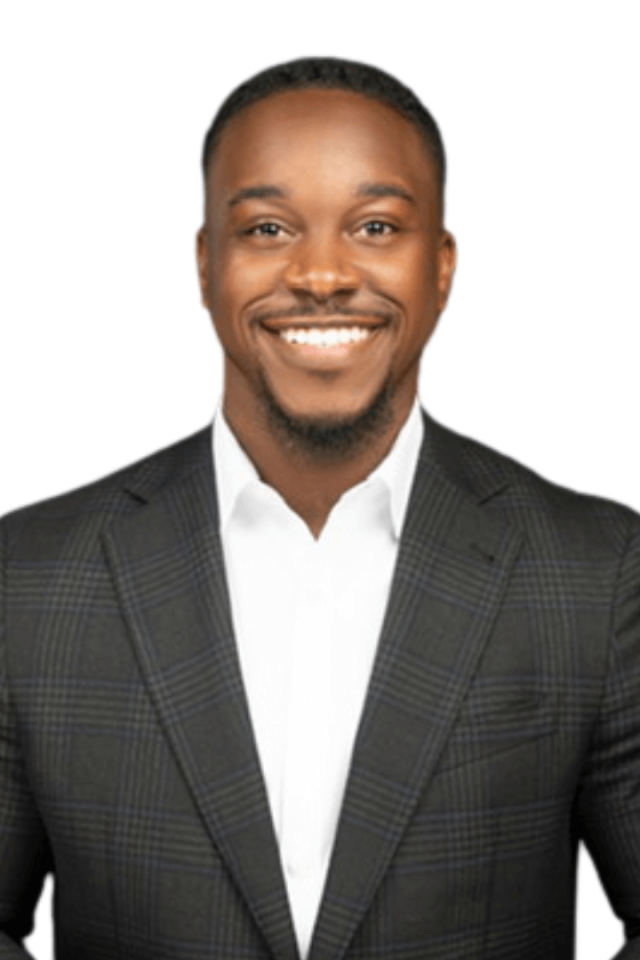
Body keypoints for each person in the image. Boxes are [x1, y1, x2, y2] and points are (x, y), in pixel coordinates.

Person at [1, 56, 639, 960]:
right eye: (267, 228)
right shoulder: (27, 579)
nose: (324, 274)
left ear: (441, 266)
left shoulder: (595, 572)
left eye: (375, 226)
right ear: (206, 264)